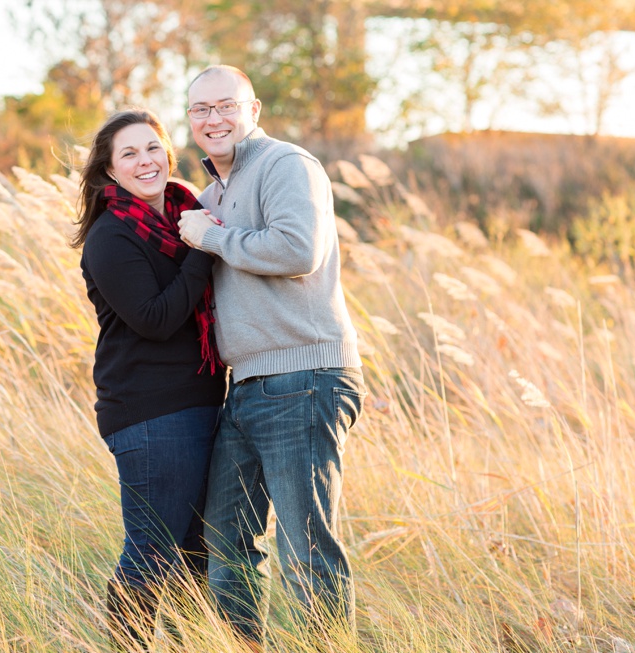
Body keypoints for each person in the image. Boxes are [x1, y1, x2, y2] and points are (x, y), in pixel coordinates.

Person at [178, 65, 367, 645]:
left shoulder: (285, 164)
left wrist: (208, 236)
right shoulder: (212, 194)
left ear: (253, 110)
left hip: (305, 376)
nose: (214, 119)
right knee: (225, 541)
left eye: (225, 106)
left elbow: (297, 249)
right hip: (249, 386)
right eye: (201, 110)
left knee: (306, 549)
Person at [74, 108, 226, 650]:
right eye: (129, 154)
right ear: (111, 172)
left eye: (152, 147)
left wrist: (202, 237)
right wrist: (204, 248)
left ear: (168, 152)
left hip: (200, 403)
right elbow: (156, 319)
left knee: (193, 553)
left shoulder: (186, 211)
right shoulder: (111, 237)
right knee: (153, 550)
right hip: (150, 412)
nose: (145, 161)